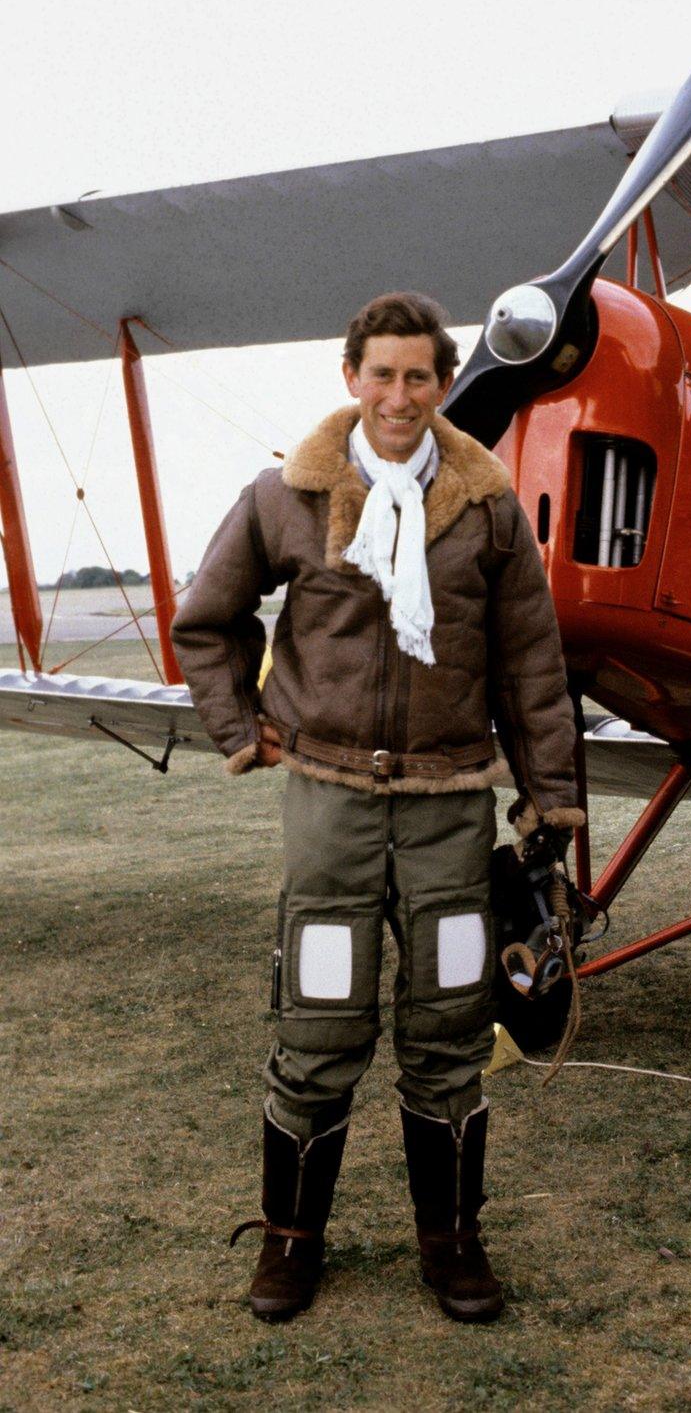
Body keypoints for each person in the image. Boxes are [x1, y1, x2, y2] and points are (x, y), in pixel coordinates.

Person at [171, 292, 582, 1324]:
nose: (399, 395)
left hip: (450, 802)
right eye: (381, 374)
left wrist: (552, 800)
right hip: (330, 802)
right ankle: (291, 1243)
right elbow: (207, 621)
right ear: (349, 376)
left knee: (449, 1027)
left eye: (419, 377)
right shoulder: (283, 498)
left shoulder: (488, 511)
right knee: (317, 1023)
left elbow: (532, 663)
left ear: (444, 385)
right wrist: (236, 729)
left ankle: (451, 1245)